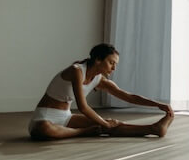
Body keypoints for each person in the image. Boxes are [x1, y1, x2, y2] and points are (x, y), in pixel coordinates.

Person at [27, 43, 174, 140]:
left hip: (66, 118)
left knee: (109, 123)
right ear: (98, 59)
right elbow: (83, 107)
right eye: (111, 63)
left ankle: (154, 129)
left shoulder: (99, 79)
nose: (114, 68)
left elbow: (128, 97)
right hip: (44, 118)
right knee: (44, 129)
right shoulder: (76, 71)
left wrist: (158, 105)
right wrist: (104, 124)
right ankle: (83, 132)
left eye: (115, 64)